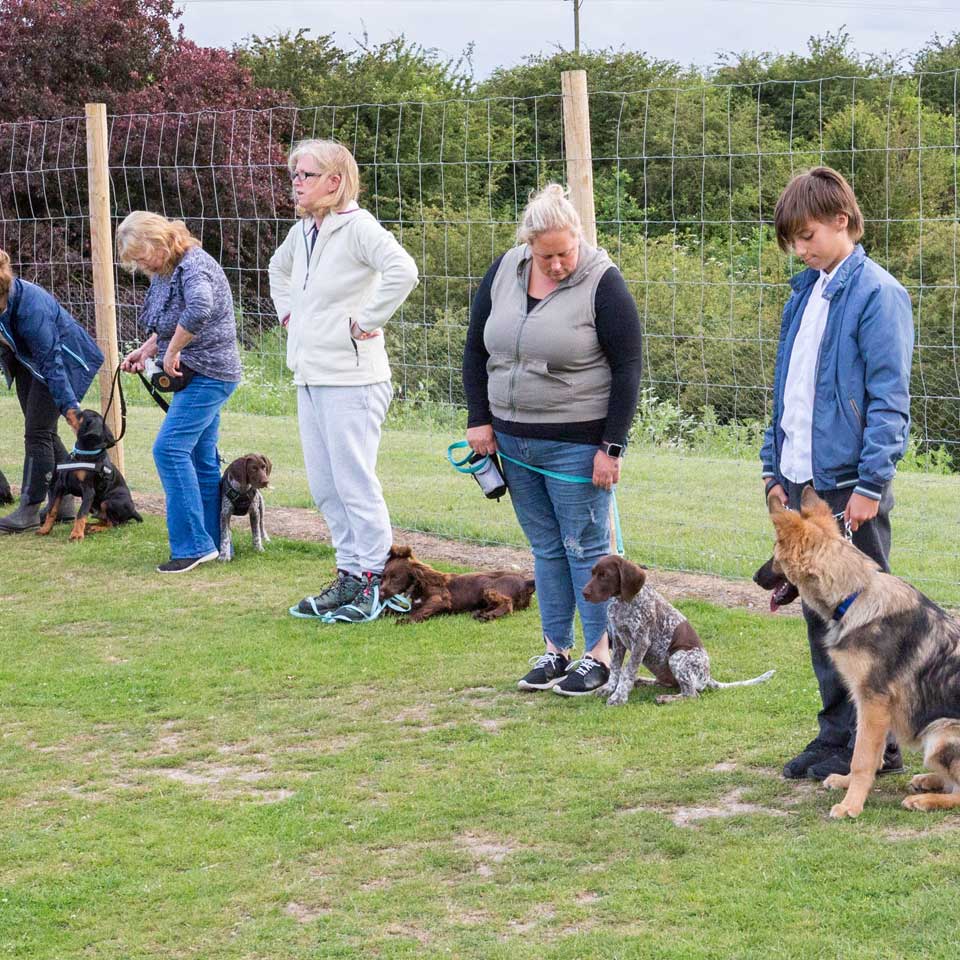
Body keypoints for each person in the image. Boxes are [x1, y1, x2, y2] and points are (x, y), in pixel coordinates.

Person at [761, 166, 914, 780]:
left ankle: (885, 741)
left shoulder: (878, 293)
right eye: (793, 241)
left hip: (852, 485)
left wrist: (871, 484)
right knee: (821, 610)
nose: (800, 249)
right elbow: (787, 392)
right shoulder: (806, 291)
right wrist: (775, 469)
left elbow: (888, 399)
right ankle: (838, 735)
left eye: (807, 236)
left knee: (867, 622)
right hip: (804, 481)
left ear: (842, 222)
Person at [463, 183, 642, 696]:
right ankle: (554, 651)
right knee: (544, 547)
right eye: (547, 255)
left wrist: (612, 447)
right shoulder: (504, 271)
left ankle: (600, 654)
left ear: (578, 238)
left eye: (566, 252)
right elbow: (476, 350)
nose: (558, 263)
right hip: (512, 441)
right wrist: (480, 418)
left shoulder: (603, 283)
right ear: (528, 247)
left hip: (577, 444)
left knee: (586, 548)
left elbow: (628, 368)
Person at [269, 139, 418, 622]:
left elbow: (403, 270)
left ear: (335, 181)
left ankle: (380, 582)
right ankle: (350, 575)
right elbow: (277, 268)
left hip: (354, 378)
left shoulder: (359, 228)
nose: (296, 183)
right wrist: (291, 314)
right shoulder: (304, 232)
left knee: (354, 483)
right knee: (325, 486)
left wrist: (365, 319)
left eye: (306, 175)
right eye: (295, 174)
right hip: (311, 375)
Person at [117, 211, 242, 574]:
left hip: (209, 373)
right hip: (202, 372)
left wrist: (172, 352)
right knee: (202, 457)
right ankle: (211, 542)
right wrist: (148, 349)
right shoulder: (167, 269)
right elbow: (173, 320)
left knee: (169, 450)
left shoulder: (193, 266)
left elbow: (200, 308)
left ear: (159, 242)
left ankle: (192, 546)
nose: (141, 266)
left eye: (142, 257)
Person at [0, 249, 103, 533]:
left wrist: (70, 408)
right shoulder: (5, 299)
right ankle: (67, 501)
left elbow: (52, 362)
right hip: (27, 363)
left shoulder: (31, 307)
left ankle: (29, 509)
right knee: (44, 432)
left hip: (64, 363)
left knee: (37, 434)